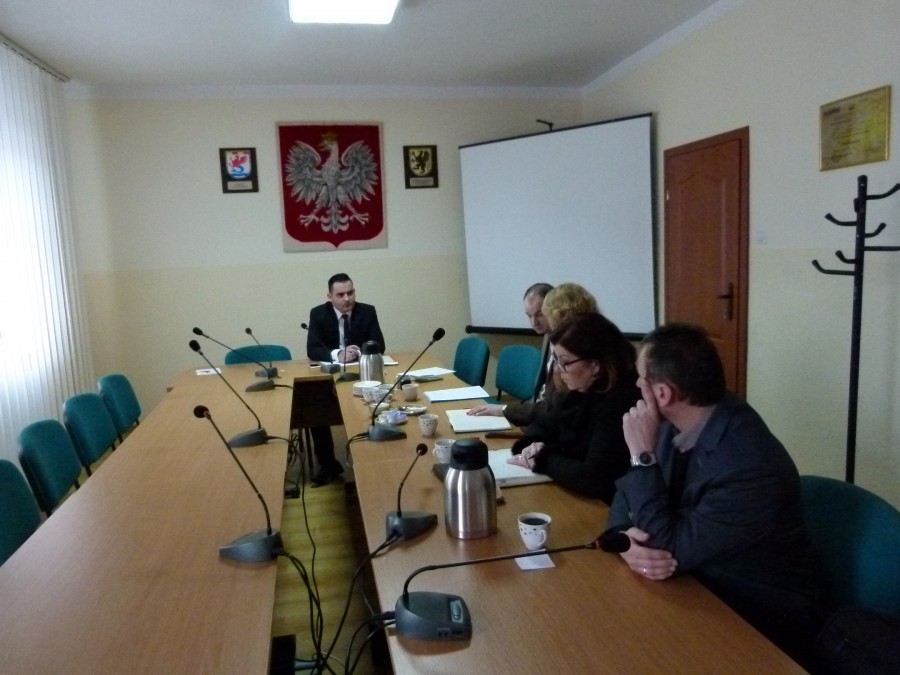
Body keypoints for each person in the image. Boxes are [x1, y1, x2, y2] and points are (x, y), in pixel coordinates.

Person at [606, 323, 827, 666]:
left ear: (663, 393)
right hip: (696, 583)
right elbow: (625, 493)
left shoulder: (749, 466)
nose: (636, 386)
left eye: (641, 379)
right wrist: (625, 539)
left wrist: (641, 458)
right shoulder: (675, 421)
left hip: (759, 616)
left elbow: (666, 550)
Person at [506, 312, 640, 502]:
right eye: (556, 360)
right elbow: (544, 424)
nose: (559, 370)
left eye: (565, 362)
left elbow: (595, 478)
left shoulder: (621, 403)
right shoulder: (582, 388)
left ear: (595, 365)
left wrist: (543, 458)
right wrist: (532, 445)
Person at [305, 273, 385, 486]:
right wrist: (338, 354)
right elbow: (313, 348)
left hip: (361, 375)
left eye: (350, 293)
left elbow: (379, 344)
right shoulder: (318, 314)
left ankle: (369, 460)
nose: (347, 299)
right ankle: (328, 464)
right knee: (315, 407)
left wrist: (358, 351)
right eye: (340, 295)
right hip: (329, 376)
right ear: (329, 297)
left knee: (365, 408)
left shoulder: (367, 311)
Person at [467, 282, 554, 425]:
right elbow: (540, 398)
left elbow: (552, 407)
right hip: (537, 418)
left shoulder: (566, 346)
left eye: (539, 314)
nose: (534, 322)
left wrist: (504, 410)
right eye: (529, 316)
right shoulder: (548, 336)